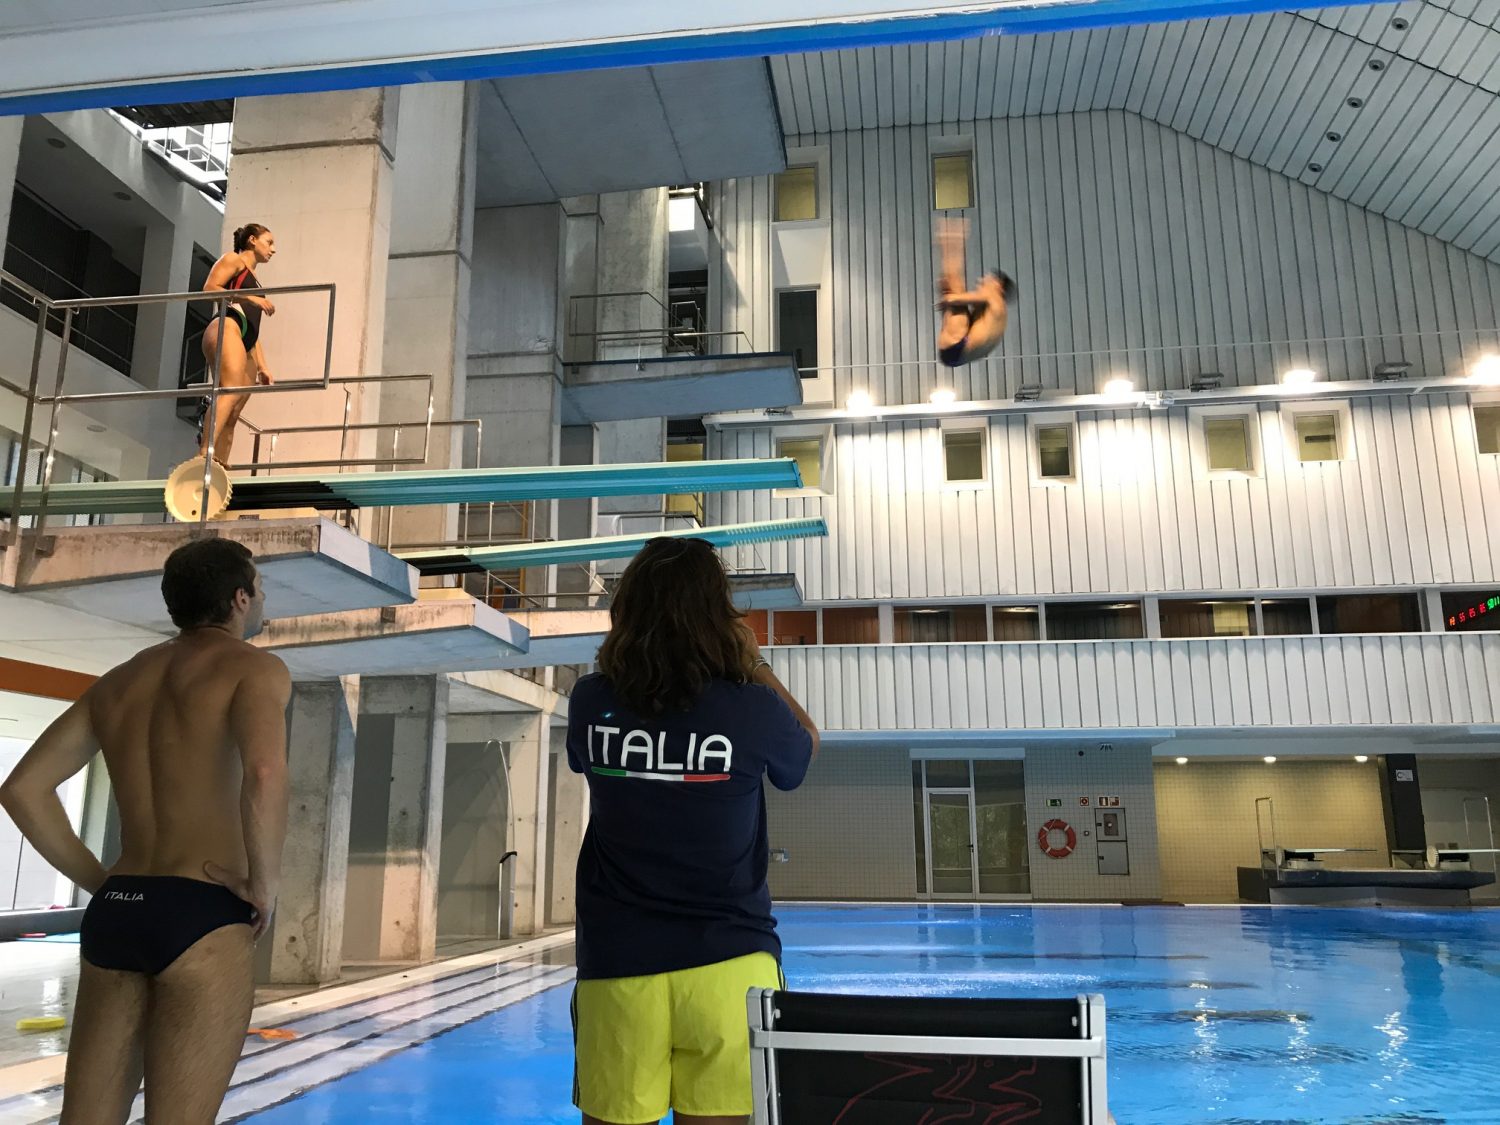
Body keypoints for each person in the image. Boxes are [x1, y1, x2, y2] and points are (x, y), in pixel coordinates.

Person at [0, 537, 292, 1125]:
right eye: (259, 589)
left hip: (119, 910)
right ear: (239, 599)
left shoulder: (118, 681)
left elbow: (21, 790)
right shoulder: (255, 668)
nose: (261, 600)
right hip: (203, 913)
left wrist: (102, 880)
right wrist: (264, 886)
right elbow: (262, 773)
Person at [566, 537, 819, 1125]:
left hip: (618, 965)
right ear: (720, 618)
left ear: (626, 609)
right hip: (730, 966)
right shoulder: (751, 709)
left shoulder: (591, 703)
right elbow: (804, 750)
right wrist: (753, 662)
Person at [199, 223, 277, 466]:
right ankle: (204, 454)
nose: (273, 249)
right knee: (228, 391)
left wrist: (263, 365)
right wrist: (249, 297)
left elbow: (253, 329)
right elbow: (209, 288)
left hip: (246, 337)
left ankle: (219, 465)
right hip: (227, 325)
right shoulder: (234, 260)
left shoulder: (256, 280)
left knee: (234, 411)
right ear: (252, 240)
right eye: (269, 242)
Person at [936, 217, 1016, 368]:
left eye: (986, 280)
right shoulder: (998, 313)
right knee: (952, 285)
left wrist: (949, 298)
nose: (981, 281)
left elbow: (956, 299)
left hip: (956, 346)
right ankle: (951, 239)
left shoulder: (994, 297)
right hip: (959, 353)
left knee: (954, 285)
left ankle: (952, 238)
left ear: (998, 285)